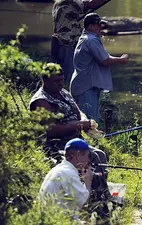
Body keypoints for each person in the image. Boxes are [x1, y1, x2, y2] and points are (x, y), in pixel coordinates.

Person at [29, 63, 111, 203]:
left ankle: (98, 194)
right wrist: (78, 126)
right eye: (56, 81)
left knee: (101, 155)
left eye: (62, 79)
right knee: (93, 157)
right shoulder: (41, 101)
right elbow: (51, 130)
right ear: (46, 80)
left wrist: (86, 123)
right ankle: (94, 200)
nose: (61, 84)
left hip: (75, 140)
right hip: (56, 145)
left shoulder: (63, 93)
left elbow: (78, 113)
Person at [70, 13, 129, 123]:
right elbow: (105, 61)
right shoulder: (92, 40)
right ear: (91, 27)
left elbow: (104, 57)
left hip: (85, 85)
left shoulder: (87, 38)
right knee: (89, 123)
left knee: (89, 121)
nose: (100, 28)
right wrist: (121, 60)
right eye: (98, 25)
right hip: (85, 87)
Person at [51, 0, 108, 86]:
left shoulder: (64, 3)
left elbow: (76, 24)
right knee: (66, 79)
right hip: (66, 46)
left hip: (65, 45)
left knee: (71, 77)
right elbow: (93, 4)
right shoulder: (68, 2)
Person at [39, 138, 93, 221]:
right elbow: (85, 205)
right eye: (86, 156)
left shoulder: (57, 170)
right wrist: (87, 181)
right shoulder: (69, 173)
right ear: (77, 155)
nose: (88, 160)